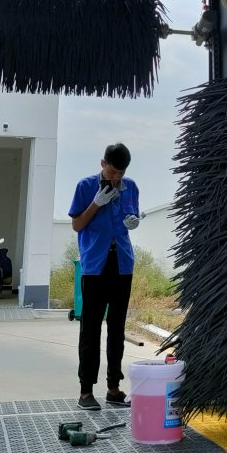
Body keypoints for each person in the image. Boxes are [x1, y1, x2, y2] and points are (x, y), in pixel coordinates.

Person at [69, 142, 140, 410]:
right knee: (90, 328)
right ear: (102, 164)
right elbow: (77, 224)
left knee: (117, 328)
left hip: (122, 263)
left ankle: (114, 388)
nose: (116, 178)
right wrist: (96, 204)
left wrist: (133, 221)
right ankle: (86, 392)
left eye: (120, 173)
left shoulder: (130, 187)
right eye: (112, 172)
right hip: (95, 265)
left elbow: (130, 218)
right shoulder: (85, 187)